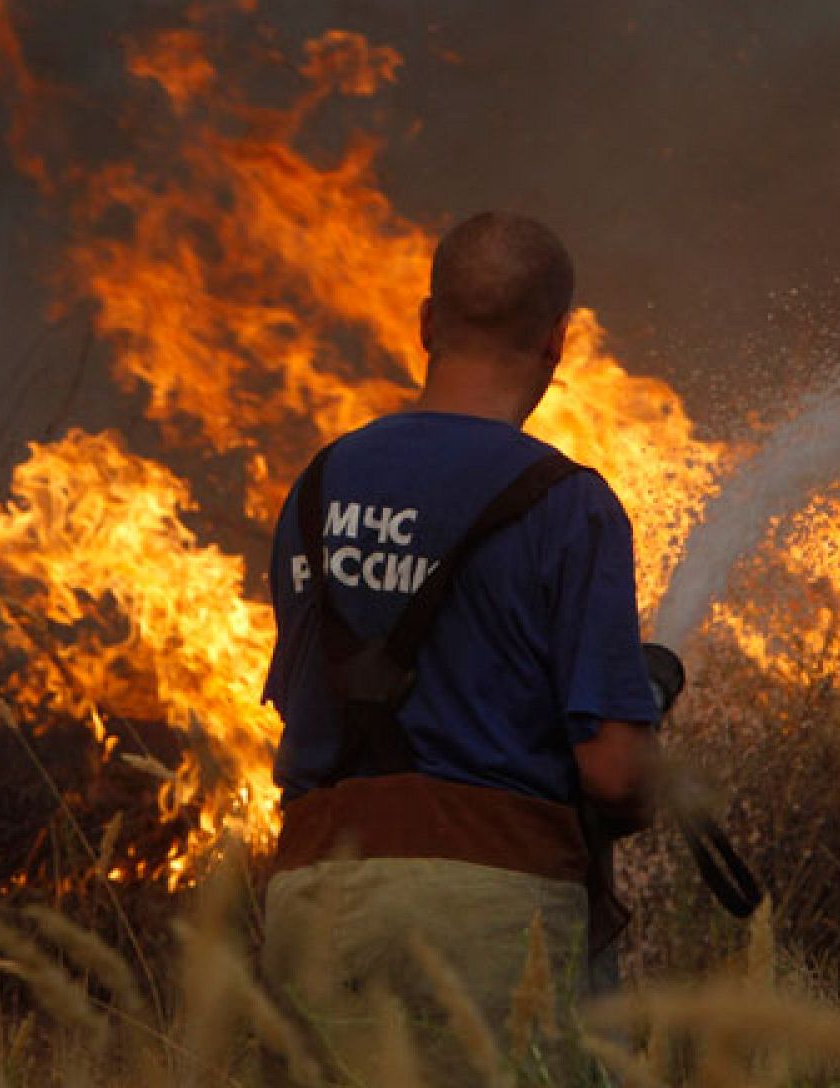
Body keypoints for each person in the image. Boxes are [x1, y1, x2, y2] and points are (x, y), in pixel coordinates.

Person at [259, 212, 661, 1078]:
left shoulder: (317, 488)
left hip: (312, 902)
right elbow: (616, 774)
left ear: (428, 322)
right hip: (489, 916)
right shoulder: (569, 505)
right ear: (558, 341)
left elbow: (307, 705)